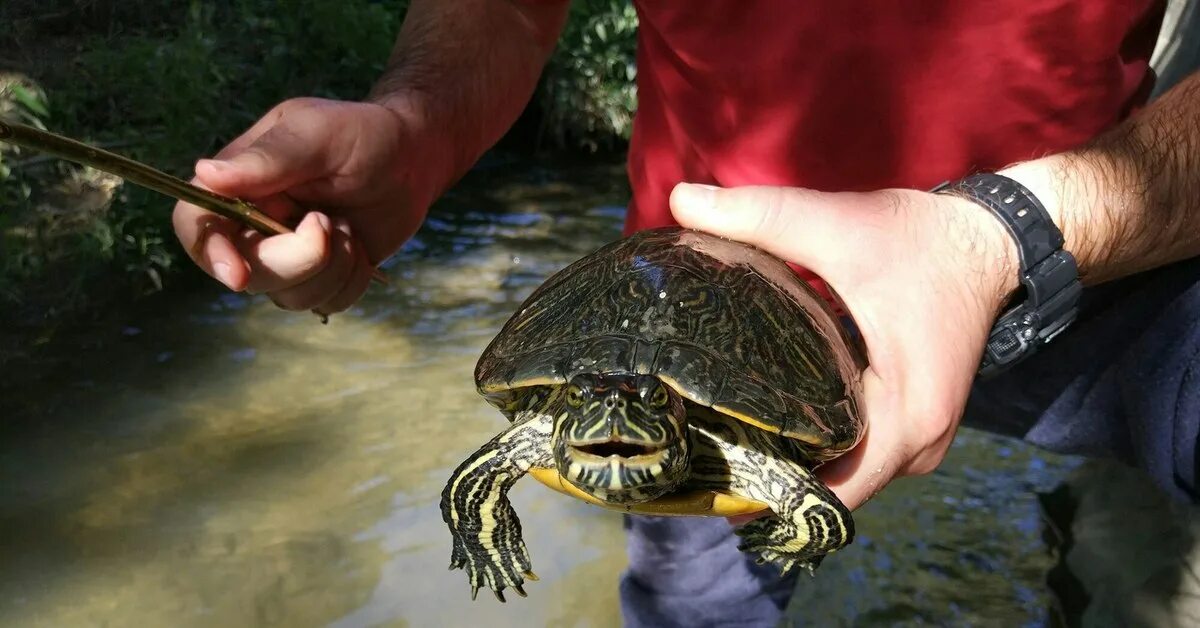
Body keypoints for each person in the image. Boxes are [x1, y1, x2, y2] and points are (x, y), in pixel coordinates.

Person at [171, 1, 1200, 625]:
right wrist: (418, 121)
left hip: (1087, 240)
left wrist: (1004, 232)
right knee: (696, 608)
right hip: (691, 281)